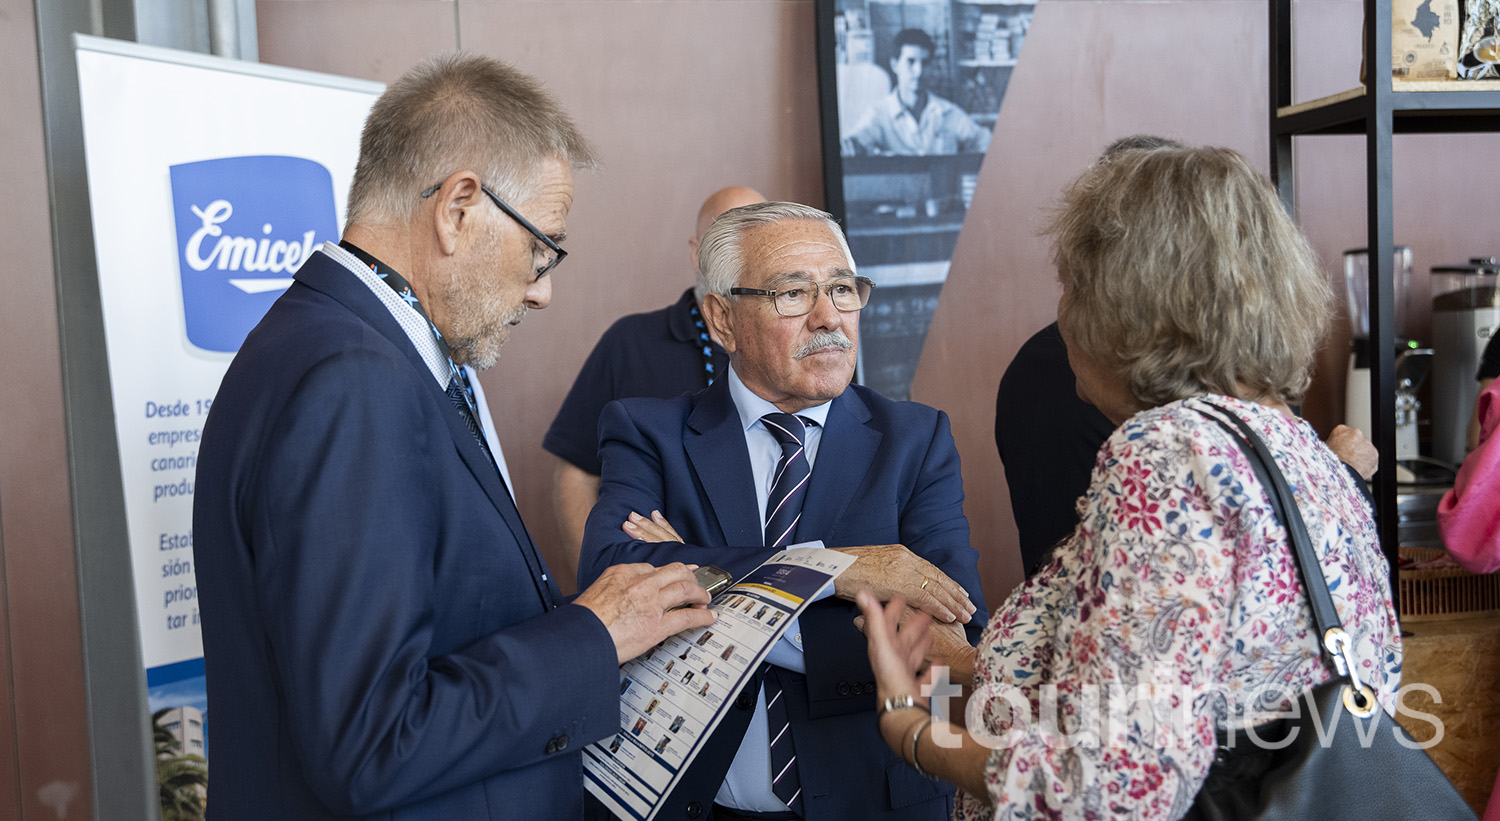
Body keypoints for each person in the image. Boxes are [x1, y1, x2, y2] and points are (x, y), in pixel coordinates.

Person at [193, 54, 715, 820]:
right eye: (543, 247)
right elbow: (371, 742)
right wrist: (591, 635)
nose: (543, 290)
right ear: (460, 207)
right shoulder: (353, 379)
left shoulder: (324, 340)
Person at [859, 144, 1402, 819]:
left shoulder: (1164, 456)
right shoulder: (1314, 456)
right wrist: (975, 662)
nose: (1060, 318)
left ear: (1123, 308)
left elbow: (1106, 788)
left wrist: (911, 729)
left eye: (1072, 287)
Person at [579, 201, 988, 820]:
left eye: (843, 291)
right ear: (722, 318)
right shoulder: (648, 432)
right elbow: (612, 575)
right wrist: (838, 572)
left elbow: (952, 640)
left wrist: (699, 592)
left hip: (874, 803)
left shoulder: (915, 441)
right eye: (793, 294)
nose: (829, 319)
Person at [546, 185, 767, 577]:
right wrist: (601, 576)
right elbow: (575, 473)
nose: (740, 258)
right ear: (695, 252)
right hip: (647, 589)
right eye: (723, 241)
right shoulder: (629, 342)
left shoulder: (789, 354)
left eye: (756, 241)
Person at [841, 29, 992, 157]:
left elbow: (987, 142)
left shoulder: (947, 113)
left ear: (932, 66)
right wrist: (855, 147)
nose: (918, 72)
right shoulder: (879, 115)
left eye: (925, 63)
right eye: (910, 62)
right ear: (895, 65)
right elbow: (852, 143)